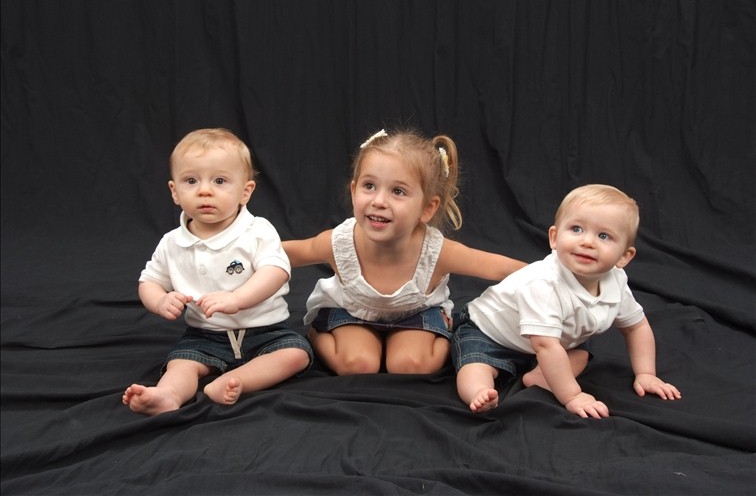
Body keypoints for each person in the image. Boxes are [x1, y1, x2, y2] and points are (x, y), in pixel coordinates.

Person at [283, 128, 526, 376]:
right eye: (369, 186)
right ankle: (317, 331)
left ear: (427, 208)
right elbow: (289, 253)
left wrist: (548, 276)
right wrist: (257, 249)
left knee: (411, 366)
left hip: (416, 316)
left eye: (397, 191)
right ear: (354, 190)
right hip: (350, 312)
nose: (379, 201)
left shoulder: (436, 252)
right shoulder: (339, 243)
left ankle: (447, 331)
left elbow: (500, 268)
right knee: (358, 365)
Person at [123, 128, 313, 416]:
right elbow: (149, 281)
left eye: (220, 181)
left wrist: (237, 298)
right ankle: (167, 395)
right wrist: (160, 300)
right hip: (205, 334)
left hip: (265, 330)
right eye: (191, 181)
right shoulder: (172, 243)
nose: (204, 191)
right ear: (174, 191)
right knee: (181, 363)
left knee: (296, 354)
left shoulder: (257, 231)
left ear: (245, 192)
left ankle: (235, 380)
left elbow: (275, 270)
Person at [452, 184, 682, 418]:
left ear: (624, 256)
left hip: (546, 345)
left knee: (579, 356)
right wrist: (573, 396)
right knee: (476, 364)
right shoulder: (544, 283)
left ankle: (540, 377)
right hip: (489, 333)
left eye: (603, 236)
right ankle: (479, 392)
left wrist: (646, 374)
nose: (587, 242)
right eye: (576, 229)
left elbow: (636, 327)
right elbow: (545, 345)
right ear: (554, 237)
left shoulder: (616, 281)